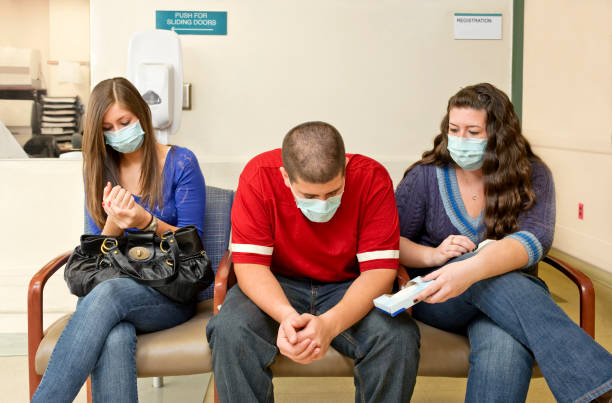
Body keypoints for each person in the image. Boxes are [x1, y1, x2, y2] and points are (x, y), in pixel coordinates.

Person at [395, 82, 612, 403]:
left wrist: (469, 271)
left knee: (503, 345)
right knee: (493, 279)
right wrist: (433, 255)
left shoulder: (531, 174)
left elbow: (534, 241)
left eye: (473, 132)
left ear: (499, 134)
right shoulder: (426, 177)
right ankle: (602, 387)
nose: (460, 140)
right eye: (454, 130)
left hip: (508, 304)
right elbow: (387, 239)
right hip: (438, 296)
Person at [206, 121, 420, 402]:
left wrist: (329, 325)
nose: (322, 203)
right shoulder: (258, 176)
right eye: (309, 196)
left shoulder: (371, 177)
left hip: (349, 284)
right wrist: (287, 317)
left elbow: (379, 271)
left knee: (398, 338)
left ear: (345, 169)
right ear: (285, 177)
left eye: (333, 193)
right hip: (277, 282)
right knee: (230, 329)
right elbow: (251, 267)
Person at [32, 77, 207, 402]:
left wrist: (147, 222)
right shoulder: (101, 171)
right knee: (114, 335)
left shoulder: (181, 163)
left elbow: (193, 243)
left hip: (169, 292)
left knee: (107, 293)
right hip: (112, 292)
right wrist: (112, 222)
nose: (118, 133)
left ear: (142, 114)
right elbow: (92, 258)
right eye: (108, 128)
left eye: (124, 122)